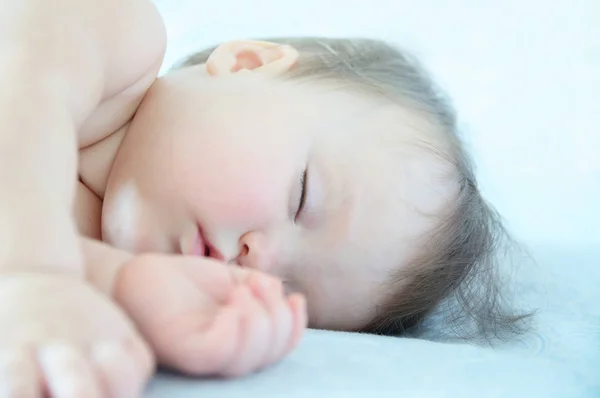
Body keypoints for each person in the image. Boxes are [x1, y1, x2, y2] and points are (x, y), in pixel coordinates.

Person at [0, 0, 528, 396]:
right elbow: (23, 86)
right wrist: (38, 274)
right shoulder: (116, 37)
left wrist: (130, 287)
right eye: (300, 198)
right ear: (248, 62)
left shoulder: (71, 250)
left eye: (286, 288)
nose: (259, 261)